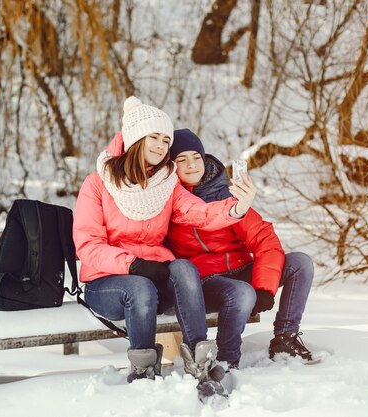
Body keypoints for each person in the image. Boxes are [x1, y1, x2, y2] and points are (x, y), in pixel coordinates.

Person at [72, 97, 251, 392]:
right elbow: (88, 245)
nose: (161, 145)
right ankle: (143, 372)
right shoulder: (97, 184)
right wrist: (133, 264)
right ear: (134, 137)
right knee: (138, 286)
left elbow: (199, 212)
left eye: (166, 140)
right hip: (106, 284)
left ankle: (201, 363)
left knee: (182, 267)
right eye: (154, 136)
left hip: (156, 279)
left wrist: (235, 208)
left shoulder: (167, 184)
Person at [165, 128, 315, 371]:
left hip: (241, 268)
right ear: (171, 167)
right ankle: (227, 357)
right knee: (241, 291)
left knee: (300, 263)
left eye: (196, 157)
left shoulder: (226, 195)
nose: (191, 165)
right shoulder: (169, 203)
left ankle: (285, 339)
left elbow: (263, 237)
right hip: (204, 282)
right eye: (181, 160)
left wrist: (265, 286)